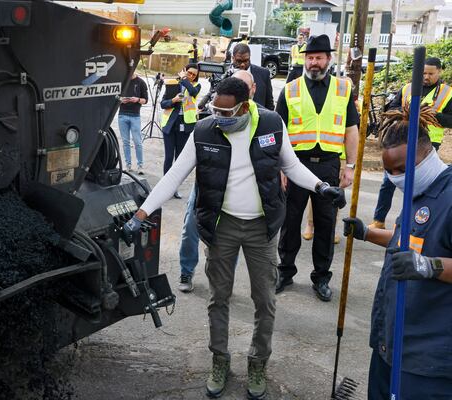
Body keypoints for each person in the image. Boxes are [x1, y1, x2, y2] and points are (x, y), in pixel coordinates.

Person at [123, 77, 346, 399]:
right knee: (219, 298)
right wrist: (140, 214)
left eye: (228, 113)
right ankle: (219, 360)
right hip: (221, 226)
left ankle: (258, 362)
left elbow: (292, 166)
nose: (221, 118)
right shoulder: (203, 131)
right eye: (216, 111)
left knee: (265, 300)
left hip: (262, 227)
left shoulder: (271, 123)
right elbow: (173, 175)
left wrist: (322, 188)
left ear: (245, 106)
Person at [342, 106, 452, 399]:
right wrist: (367, 233)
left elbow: (423, 257)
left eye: (402, 169)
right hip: (391, 339)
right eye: (389, 172)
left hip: (427, 355)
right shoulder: (419, 192)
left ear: (427, 153)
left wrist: (429, 266)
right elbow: (411, 242)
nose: (396, 178)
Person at [275, 34, 360, 301]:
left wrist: (350, 166)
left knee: (325, 225)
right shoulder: (290, 89)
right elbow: (279, 131)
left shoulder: (344, 89)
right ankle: (285, 271)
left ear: (328, 59)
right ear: (304, 60)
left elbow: (351, 130)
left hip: (329, 167)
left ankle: (321, 277)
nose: (313, 62)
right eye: (309, 57)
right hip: (295, 165)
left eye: (318, 57)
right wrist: (280, 168)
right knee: (290, 222)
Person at [177, 69, 257, 293]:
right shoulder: (209, 125)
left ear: (251, 92)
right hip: (206, 187)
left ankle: (224, 279)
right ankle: (186, 269)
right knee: (190, 228)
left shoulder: (261, 121)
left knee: (230, 239)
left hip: (235, 192)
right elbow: (178, 170)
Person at [368, 56, 452, 230]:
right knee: (389, 181)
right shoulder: (407, 88)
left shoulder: (447, 93)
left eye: (431, 73)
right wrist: (404, 112)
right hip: (401, 141)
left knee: (420, 185)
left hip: (427, 145)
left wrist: (432, 115)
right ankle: (379, 219)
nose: (426, 77)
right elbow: (391, 108)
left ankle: (414, 223)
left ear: (439, 72)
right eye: (423, 73)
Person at [160, 63, 201, 199]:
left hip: (185, 125)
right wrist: (174, 100)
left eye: (194, 75)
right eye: (189, 73)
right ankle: (165, 187)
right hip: (170, 124)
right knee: (169, 157)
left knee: (179, 159)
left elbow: (193, 93)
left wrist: (184, 79)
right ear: (184, 70)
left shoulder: (195, 86)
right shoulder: (172, 84)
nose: (191, 76)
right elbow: (163, 104)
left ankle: (174, 188)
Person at [118, 72, 148, 174]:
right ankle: (128, 165)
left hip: (135, 116)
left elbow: (145, 100)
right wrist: (121, 100)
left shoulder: (141, 83)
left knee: (137, 142)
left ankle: (140, 166)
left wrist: (137, 99)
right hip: (122, 115)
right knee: (125, 142)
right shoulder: (122, 81)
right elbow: (115, 97)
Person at [231, 43, 274, 110]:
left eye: (245, 61)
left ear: (250, 57)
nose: (242, 64)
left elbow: (269, 103)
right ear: (233, 58)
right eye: (239, 61)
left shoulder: (264, 74)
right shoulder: (225, 75)